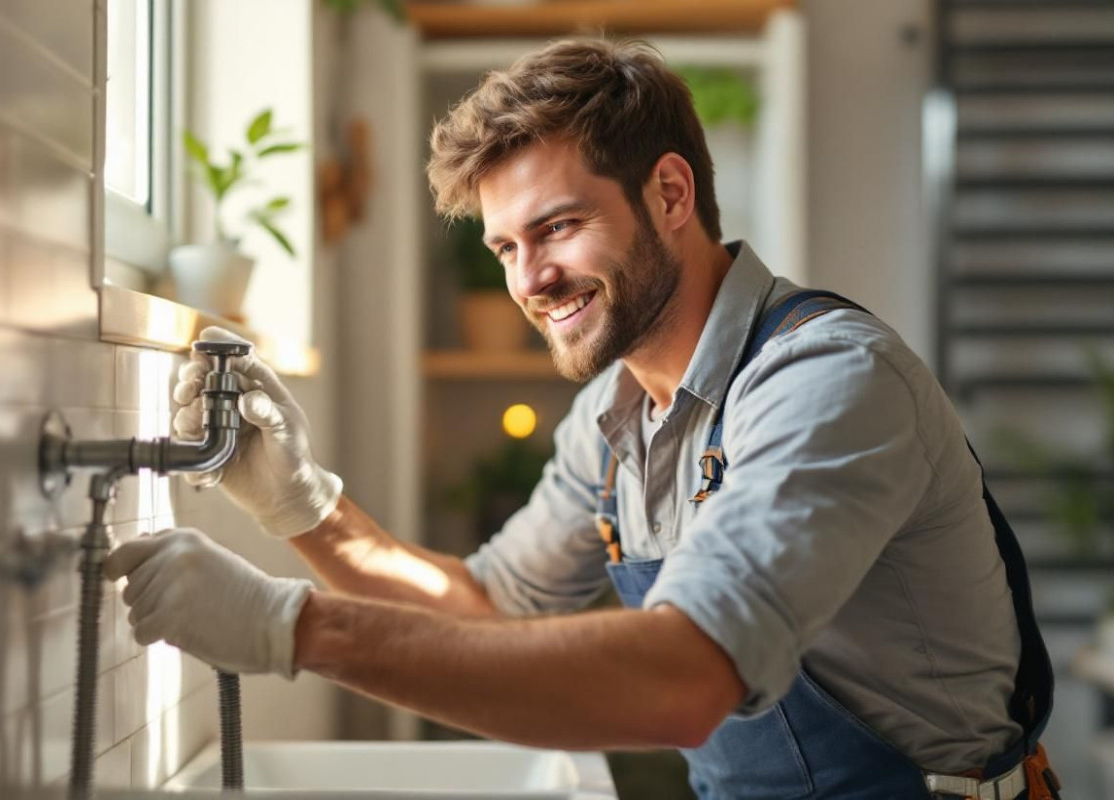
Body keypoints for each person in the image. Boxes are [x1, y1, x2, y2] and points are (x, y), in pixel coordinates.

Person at [103, 39, 1060, 799]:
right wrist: (306, 509)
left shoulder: (827, 380)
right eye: (506, 247)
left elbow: (686, 679)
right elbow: (488, 607)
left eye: (557, 228)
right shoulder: (612, 415)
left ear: (671, 193)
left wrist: (292, 627)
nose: (529, 282)